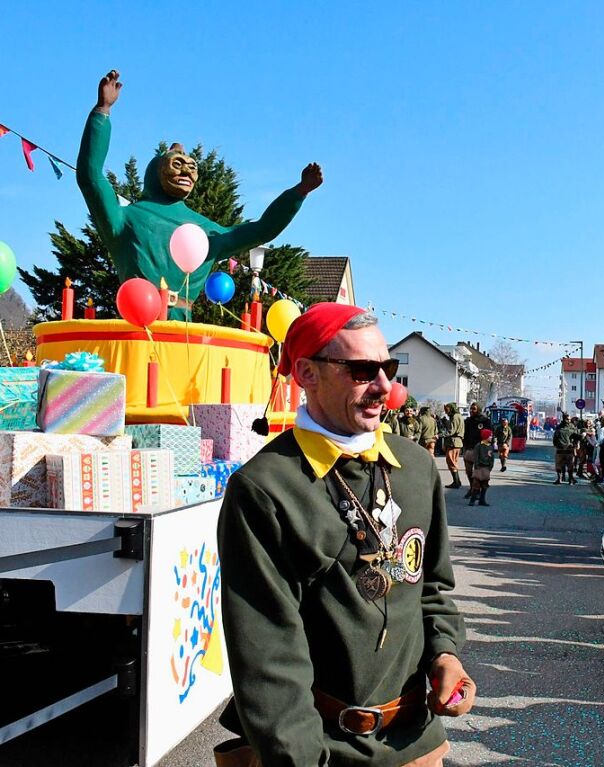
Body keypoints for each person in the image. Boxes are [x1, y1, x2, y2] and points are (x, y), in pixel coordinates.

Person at [216, 303, 474, 767]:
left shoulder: (415, 467)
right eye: (361, 370)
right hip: (320, 748)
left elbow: (431, 588)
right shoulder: (264, 488)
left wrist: (445, 655)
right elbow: (267, 653)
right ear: (307, 374)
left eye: (388, 367)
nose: (384, 387)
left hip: (416, 743)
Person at [79, 71, 322, 320]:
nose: (186, 170)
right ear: (156, 171)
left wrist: (299, 192)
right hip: (135, 334)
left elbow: (262, 230)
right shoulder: (125, 218)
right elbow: (90, 176)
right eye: (177, 164)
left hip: (184, 338)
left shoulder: (206, 232)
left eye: (191, 166)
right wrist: (102, 112)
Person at [461, 403, 492, 498]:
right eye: (470, 409)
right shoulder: (468, 421)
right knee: (469, 471)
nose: (471, 411)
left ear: (478, 409)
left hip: (480, 450)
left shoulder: (485, 421)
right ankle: (472, 487)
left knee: (478, 473)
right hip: (469, 448)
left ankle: (477, 490)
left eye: (473, 409)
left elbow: (489, 435)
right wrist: (464, 447)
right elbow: (464, 434)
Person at [468, 428, 495, 507]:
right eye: (490, 436)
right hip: (479, 468)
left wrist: (490, 466)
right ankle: (472, 500)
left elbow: (491, 457)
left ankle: (482, 500)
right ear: (485, 437)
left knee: (485, 485)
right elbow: (476, 457)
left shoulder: (490, 447)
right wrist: (476, 466)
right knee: (476, 484)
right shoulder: (479, 446)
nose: (491, 437)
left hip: (486, 468)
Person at [441, 403, 464, 489]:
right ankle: (457, 481)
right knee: (453, 461)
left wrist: (440, 434)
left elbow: (451, 431)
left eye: (447, 410)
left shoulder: (455, 417)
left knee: (451, 462)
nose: (446, 412)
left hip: (453, 442)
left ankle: (456, 482)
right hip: (457, 442)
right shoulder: (459, 416)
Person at [552, 414, 577, 485]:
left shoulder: (572, 427)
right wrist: (556, 444)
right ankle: (559, 479)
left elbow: (576, 437)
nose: (568, 421)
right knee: (559, 465)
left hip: (569, 449)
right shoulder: (559, 428)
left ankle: (570, 479)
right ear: (563, 419)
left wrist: (574, 445)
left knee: (570, 465)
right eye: (567, 419)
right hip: (560, 450)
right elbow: (555, 438)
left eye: (569, 419)